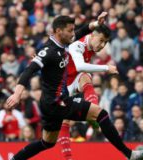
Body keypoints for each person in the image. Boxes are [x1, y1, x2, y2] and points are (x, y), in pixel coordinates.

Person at [6, 14, 143, 160]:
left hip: (50, 103)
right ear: (58, 31)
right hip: (58, 103)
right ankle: (129, 154)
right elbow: (28, 71)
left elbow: (81, 32)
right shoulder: (48, 51)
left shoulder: (62, 43)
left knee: (47, 143)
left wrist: (94, 24)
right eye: (70, 30)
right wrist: (17, 94)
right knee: (101, 114)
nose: (73, 33)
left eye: (73, 30)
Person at [58, 24, 118, 160]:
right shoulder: (78, 44)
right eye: (101, 40)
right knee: (64, 120)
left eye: (106, 42)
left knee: (86, 77)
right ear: (93, 35)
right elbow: (79, 66)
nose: (102, 45)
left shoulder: (91, 46)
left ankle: (94, 112)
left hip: (75, 78)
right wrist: (106, 68)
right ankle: (68, 157)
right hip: (62, 84)